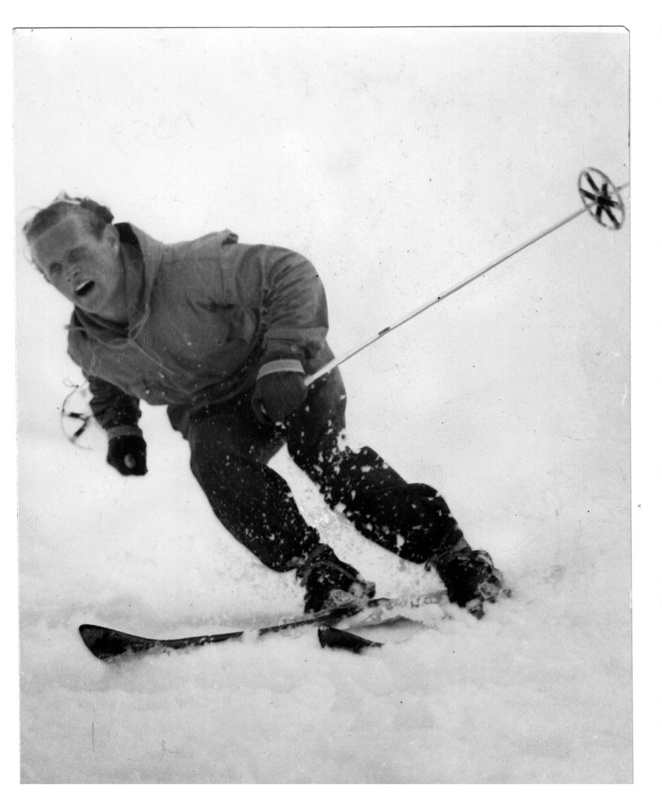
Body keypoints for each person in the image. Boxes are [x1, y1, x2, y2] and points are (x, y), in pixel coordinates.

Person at [23, 193, 509, 618]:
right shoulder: (86, 345)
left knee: (324, 459)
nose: (71, 273)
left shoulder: (191, 269)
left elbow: (290, 271)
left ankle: (454, 555)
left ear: (110, 239)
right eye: (55, 269)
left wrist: (282, 357)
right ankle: (323, 572)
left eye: (76, 253)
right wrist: (121, 429)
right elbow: (106, 383)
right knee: (213, 464)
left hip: (286, 370)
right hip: (215, 409)